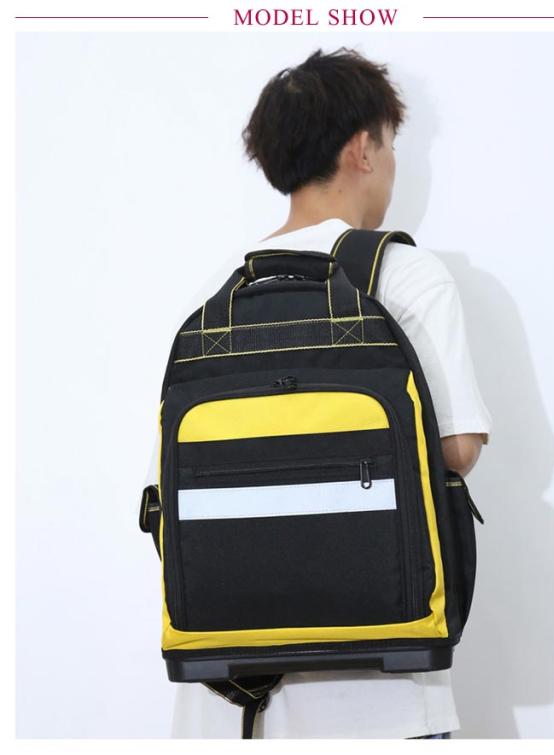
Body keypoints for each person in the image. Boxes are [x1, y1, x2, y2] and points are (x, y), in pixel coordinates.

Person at [150, 47, 492, 739]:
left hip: (232, 695)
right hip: (383, 692)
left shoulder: (216, 295)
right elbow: (456, 449)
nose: (393, 165)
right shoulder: (404, 274)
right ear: (362, 149)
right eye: (391, 146)